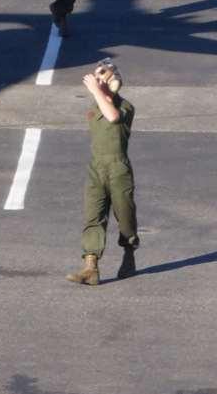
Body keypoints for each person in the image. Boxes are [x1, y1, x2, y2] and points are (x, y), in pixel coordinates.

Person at [67, 59, 139, 286]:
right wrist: (98, 92)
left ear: (114, 81)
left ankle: (129, 254)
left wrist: (97, 91)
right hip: (96, 168)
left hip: (118, 169)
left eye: (101, 76)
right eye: (96, 76)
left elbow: (113, 117)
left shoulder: (125, 107)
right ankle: (91, 267)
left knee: (125, 217)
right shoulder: (95, 106)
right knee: (93, 216)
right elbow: (103, 109)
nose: (96, 79)